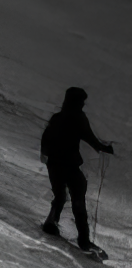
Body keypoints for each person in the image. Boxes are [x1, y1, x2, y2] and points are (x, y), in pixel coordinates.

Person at [41, 86, 113, 251]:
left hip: (54, 163)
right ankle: (83, 240)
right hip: (70, 165)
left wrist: (45, 154)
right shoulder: (79, 118)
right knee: (78, 201)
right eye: (81, 101)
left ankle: (51, 222)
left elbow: (46, 139)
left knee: (60, 195)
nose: (82, 104)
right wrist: (105, 148)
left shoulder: (57, 117)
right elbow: (90, 138)